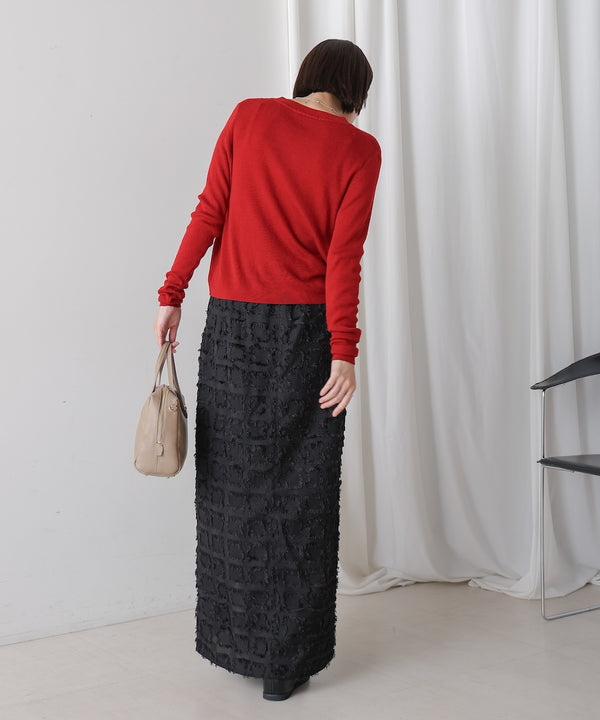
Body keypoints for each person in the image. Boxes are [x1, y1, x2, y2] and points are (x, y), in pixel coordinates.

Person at [154, 38, 381, 702]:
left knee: (232, 489)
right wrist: (345, 350)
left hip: (232, 332)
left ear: (308, 76)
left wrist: (172, 293)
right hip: (307, 337)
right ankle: (287, 662)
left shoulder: (249, 116)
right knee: (301, 496)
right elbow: (344, 257)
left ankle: (237, 644)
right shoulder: (358, 150)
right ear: (354, 91)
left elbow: (209, 210)